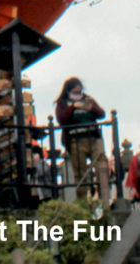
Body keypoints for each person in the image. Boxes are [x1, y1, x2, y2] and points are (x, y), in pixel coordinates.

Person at [55, 77, 109, 205]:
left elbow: (101, 114)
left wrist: (91, 108)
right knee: (80, 174)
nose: (78, 94)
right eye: (75, 92)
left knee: (102, 168)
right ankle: (83, 203)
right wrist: (73, 107)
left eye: (79, 91)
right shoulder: (62, 103)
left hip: (94, 138)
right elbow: (61, 119)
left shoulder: (88, 99)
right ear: (68, 91)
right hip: (76, 141)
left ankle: (104, 202)